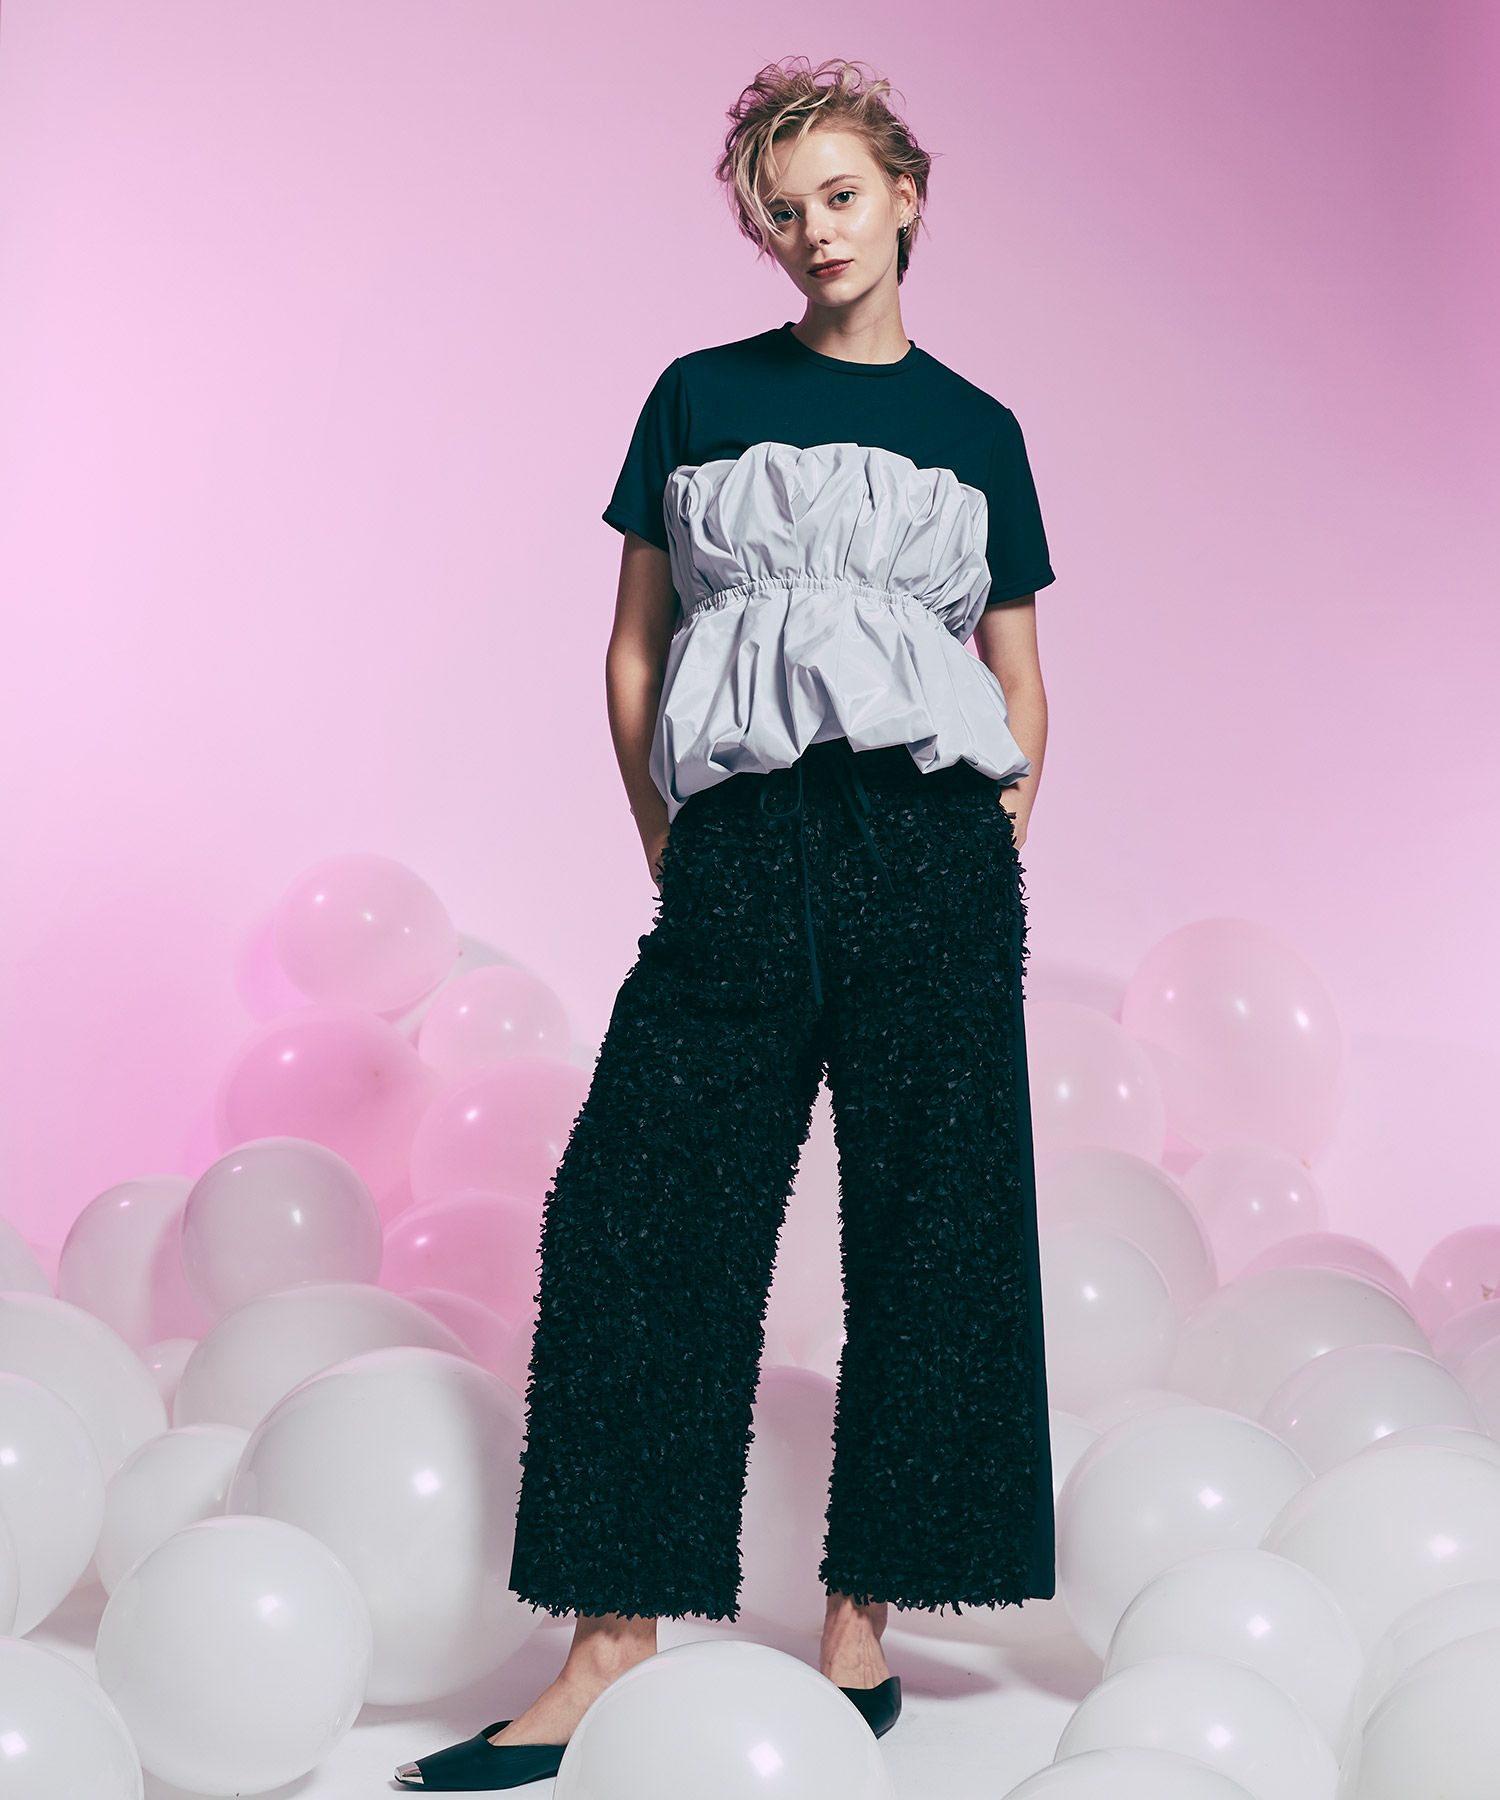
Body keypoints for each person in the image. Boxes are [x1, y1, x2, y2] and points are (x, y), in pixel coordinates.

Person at [397, 53, 1056, 1791]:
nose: (813, 228)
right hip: (743, 844)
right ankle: (605, 1646)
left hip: (930, 850)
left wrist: (988, 840)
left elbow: (1019, 677)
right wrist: (668, 838)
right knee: (638, 1217)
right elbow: (636, 649)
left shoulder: (981, 431)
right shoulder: (698, 394)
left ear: (905, 197)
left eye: (839, 193)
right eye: (783, 207)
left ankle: (862, 1622)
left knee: (936, 1234)